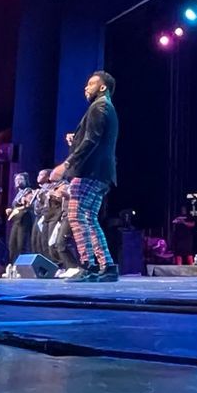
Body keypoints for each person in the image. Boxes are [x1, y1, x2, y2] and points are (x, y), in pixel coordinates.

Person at [50, 69, 119, 280]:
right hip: (101, 173)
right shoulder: (106, 107)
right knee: (88, 218)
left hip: (90, 172)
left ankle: (88, 265)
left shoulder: (99, 107)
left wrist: (66, 163)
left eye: (91, 83)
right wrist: (76, 140)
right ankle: (106, 266)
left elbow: (92, 140)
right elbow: (92, 139)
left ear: (102, 87)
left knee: (77, 216)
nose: (86, 87)